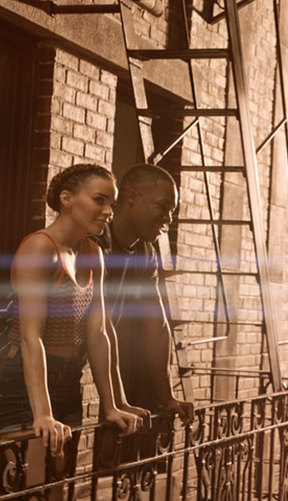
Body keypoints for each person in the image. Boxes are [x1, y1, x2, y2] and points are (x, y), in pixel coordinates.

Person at [0, 164, 141, 483]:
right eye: (100, 200)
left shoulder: (93, 253)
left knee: (57, 486)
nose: (108, 211)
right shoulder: (39, 248)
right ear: (67, 198)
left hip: (69, 382)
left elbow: (100, 334)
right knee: (28, 487)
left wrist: (112, 404)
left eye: (111, 203)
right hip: (23, 384)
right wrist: (43, 413)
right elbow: (31, 338)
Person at [92, 163, 194, 426]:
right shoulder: (93, 242)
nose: (169, 219)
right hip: (17, 364)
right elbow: (98, 329)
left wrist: (167, 396)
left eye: (172, 211)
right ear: (131, 198)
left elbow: (157, 328)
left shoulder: (145, 252)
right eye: (163, 207)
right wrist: (115, 401)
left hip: (63, 372)